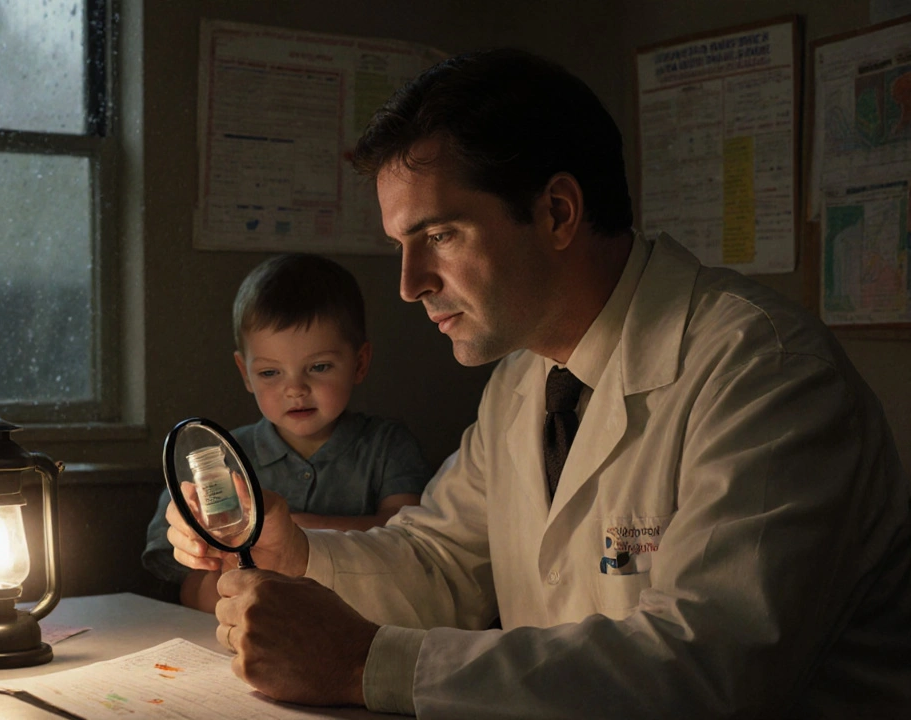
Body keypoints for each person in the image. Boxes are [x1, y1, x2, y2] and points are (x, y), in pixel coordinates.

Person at [166, 49, 911, 717]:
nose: (409, 283)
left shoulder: (763, 371)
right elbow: (441, 565)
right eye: (401, 244)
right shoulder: (527, 380)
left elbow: (712, 669)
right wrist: (286, 550)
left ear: (557, 212)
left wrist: (364, 663)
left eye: (440, 236)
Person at [144, 253, 432, 612]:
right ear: (245, 373)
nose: (295, 389)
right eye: (270, 373)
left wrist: (294, 530)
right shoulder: (220, 457)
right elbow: (187, 587)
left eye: (319, 367)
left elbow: (410, 539)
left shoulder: (388, 446)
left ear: (359, 363)